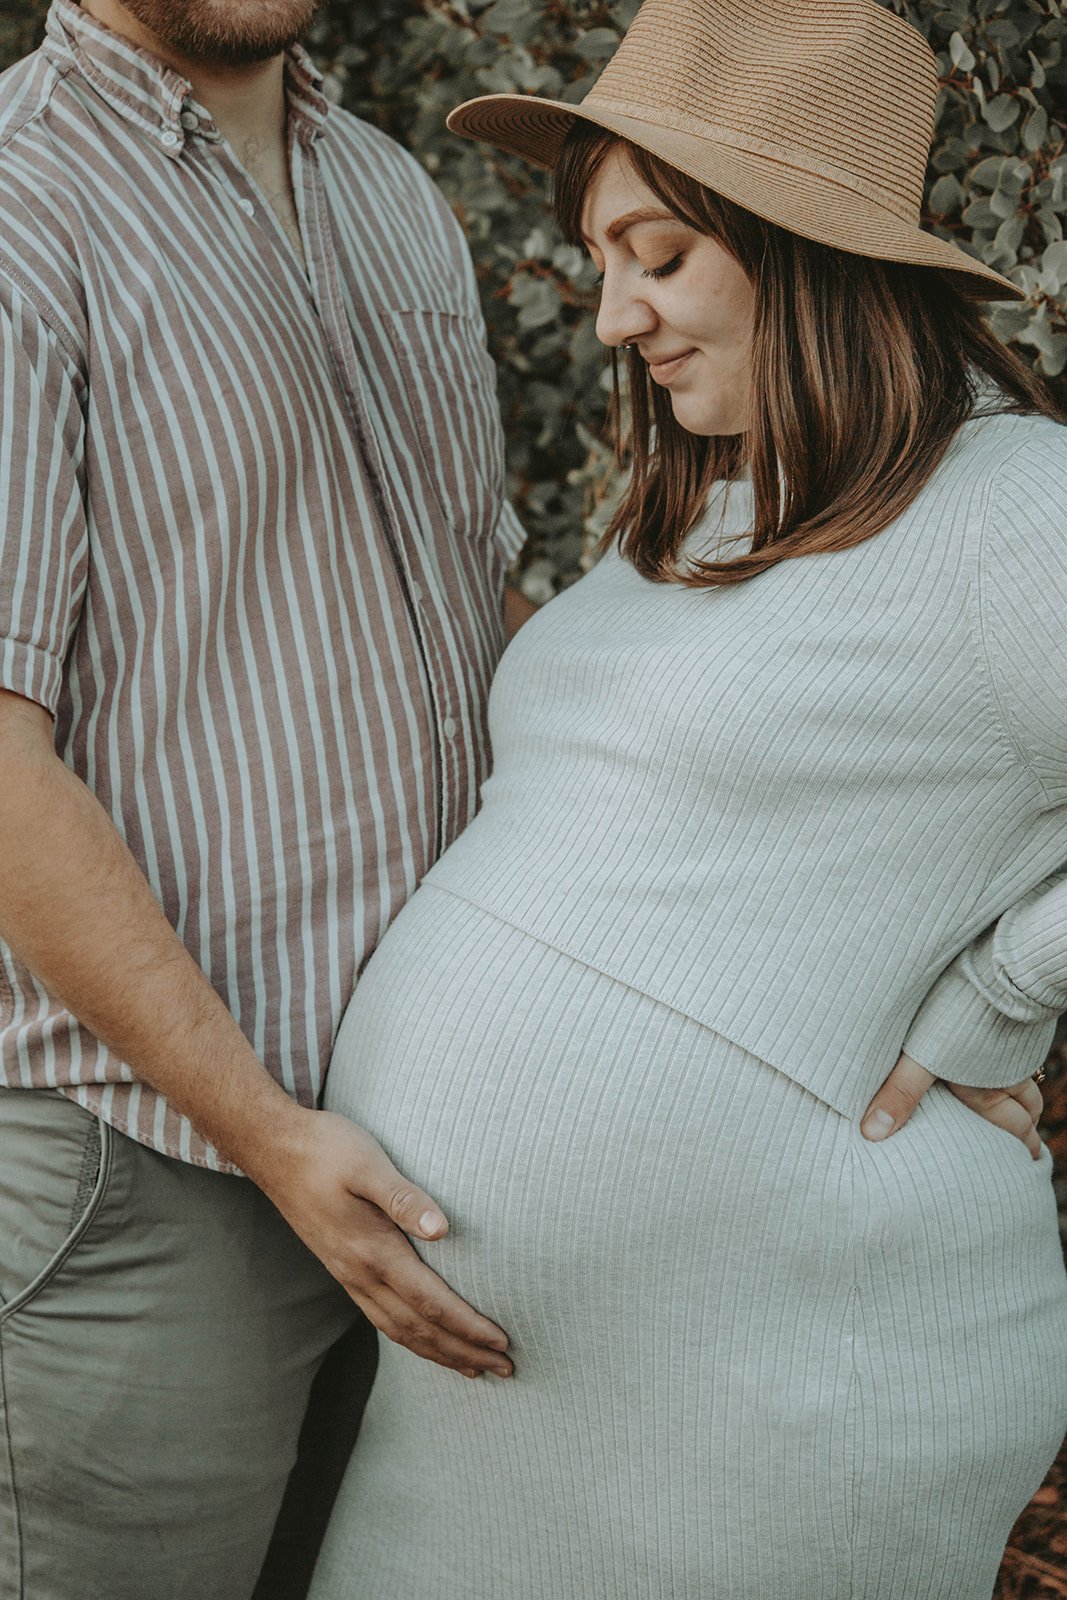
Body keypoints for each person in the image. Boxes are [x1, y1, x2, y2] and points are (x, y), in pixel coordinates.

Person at [309, 2, 1067, 1597]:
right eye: (599, 263)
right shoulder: (717, 505)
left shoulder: (1016, 511)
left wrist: (1010, 990)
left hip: (780, 1386)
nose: (611, 317)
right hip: (487, 1407)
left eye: (655, 254)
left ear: (798, 247)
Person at [0, 1, 530, 1595]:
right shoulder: (20, 206)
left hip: (426, 1159)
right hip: (147, 1177)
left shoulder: (390, 189)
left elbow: (482, 620)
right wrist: (271, 1135)